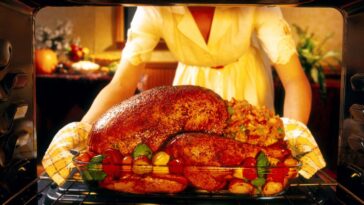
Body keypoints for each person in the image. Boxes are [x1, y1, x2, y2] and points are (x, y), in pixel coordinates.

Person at [82, 5, 311, 125]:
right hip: (191, 82)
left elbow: (294, 80)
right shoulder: (154, 8)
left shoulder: (258, 5)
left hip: (245, 79)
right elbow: (122, 84)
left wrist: (295, 135)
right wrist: (82, 129)